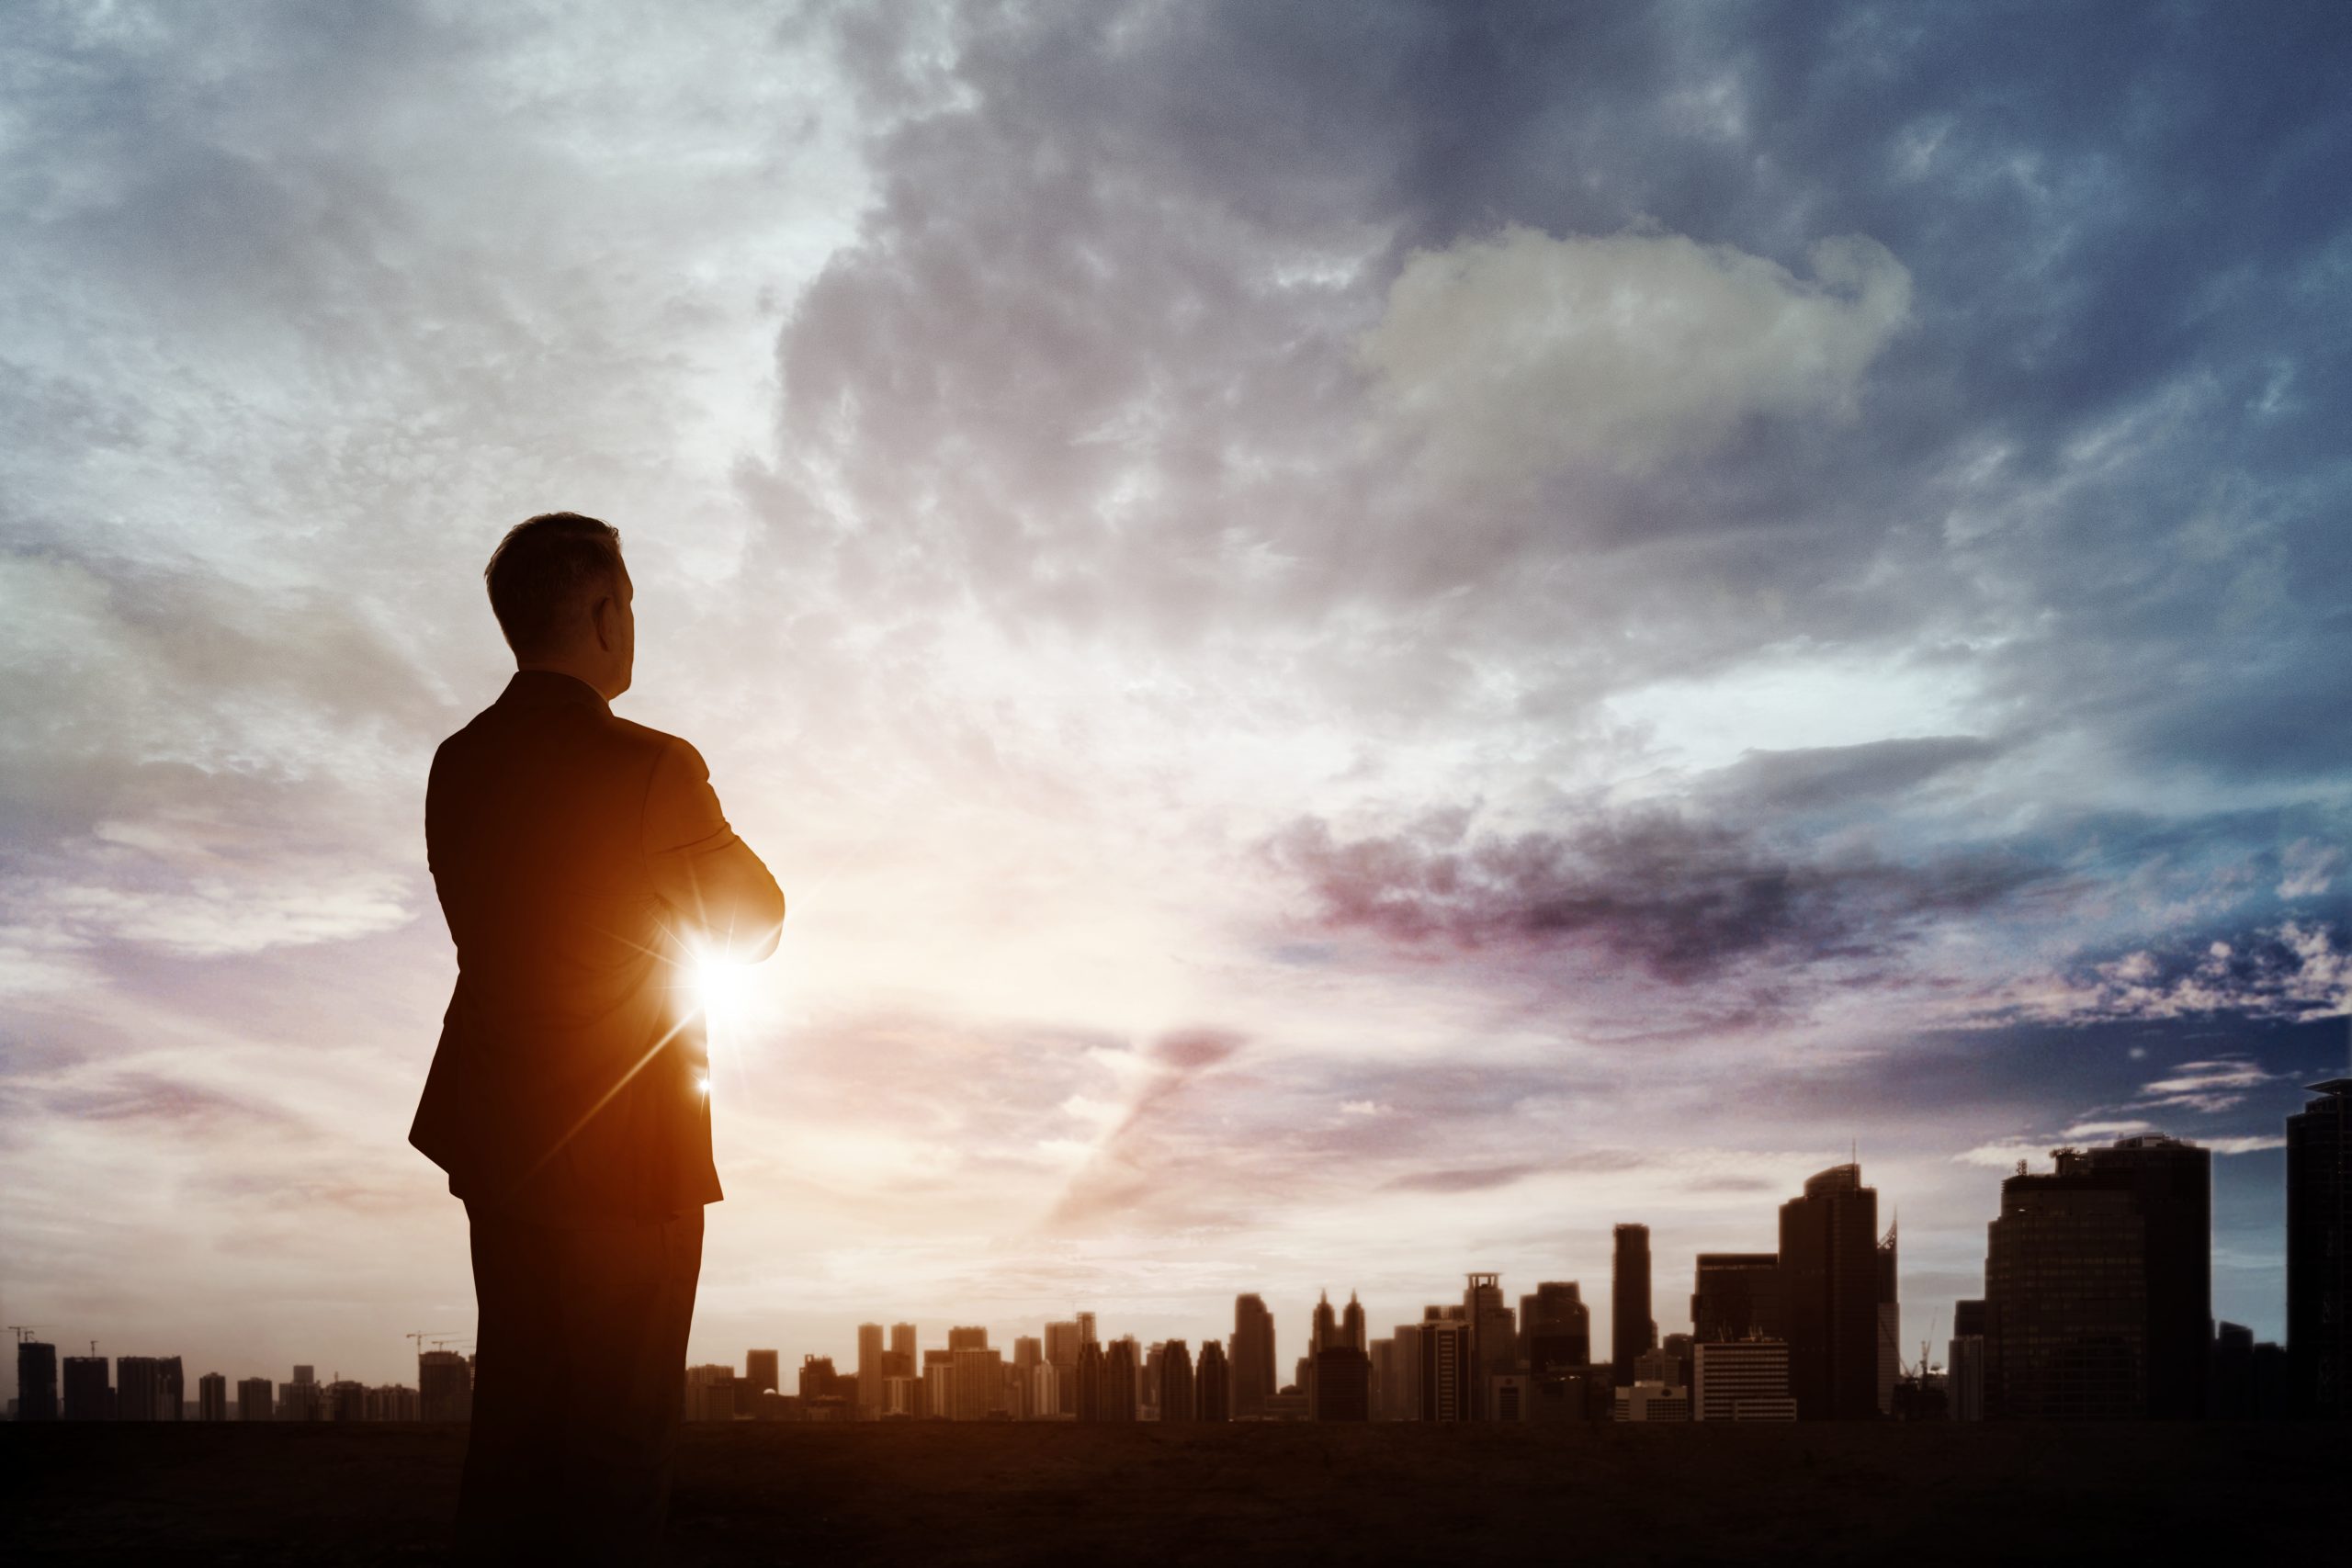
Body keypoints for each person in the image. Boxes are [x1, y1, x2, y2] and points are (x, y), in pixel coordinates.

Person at [409, 513, 784, 1562]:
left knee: (519, 1428)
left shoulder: (457, 765)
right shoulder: (654, 768)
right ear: (607, 613)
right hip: (629, 1150)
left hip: (502, 1142)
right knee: (620, 1443)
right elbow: (756, 921)